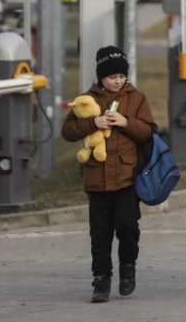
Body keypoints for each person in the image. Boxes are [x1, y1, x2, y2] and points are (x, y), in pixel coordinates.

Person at [61, 46, 157, 303]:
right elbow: (68, 131)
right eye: (112, 76)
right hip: (97, 179)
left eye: (121, 76)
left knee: (127, 227)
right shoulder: (86, 99)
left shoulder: (136, 98)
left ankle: (128, 268)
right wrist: (93, 123)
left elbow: (148, 131)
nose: (117, 81)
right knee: (100, 233)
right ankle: (101, 279)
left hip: (127, 177)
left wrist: (125, 122)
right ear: (101, 76)